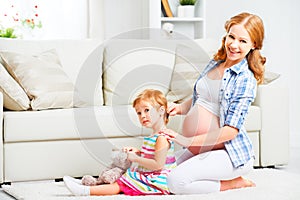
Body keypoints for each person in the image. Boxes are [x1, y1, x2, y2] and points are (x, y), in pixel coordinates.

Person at [160, 12, 266, 194]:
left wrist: (187, 140)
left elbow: (230, 131)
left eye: (243, 41)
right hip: (201, 149)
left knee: (175, 182)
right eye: (231, 37)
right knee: (161, 172)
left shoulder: (245, 79)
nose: (233, 45)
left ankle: (234, 182)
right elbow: (201, 97)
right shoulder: (216, 63)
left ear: (253, 45)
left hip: (228, 153)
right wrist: (179, 108)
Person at [63, 89, 176, 196]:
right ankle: (91, 183)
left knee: (122, 183)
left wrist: (135, 158)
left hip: (157, 181)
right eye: (139, 113)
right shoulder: (154, 136)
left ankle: (87, 191)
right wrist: (139, 152)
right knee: (121, 176)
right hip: (150, 174)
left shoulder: (162, 138)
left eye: (146, 110)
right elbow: (153, 155)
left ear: (161, 111)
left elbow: (158, 165)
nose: (142, 116)